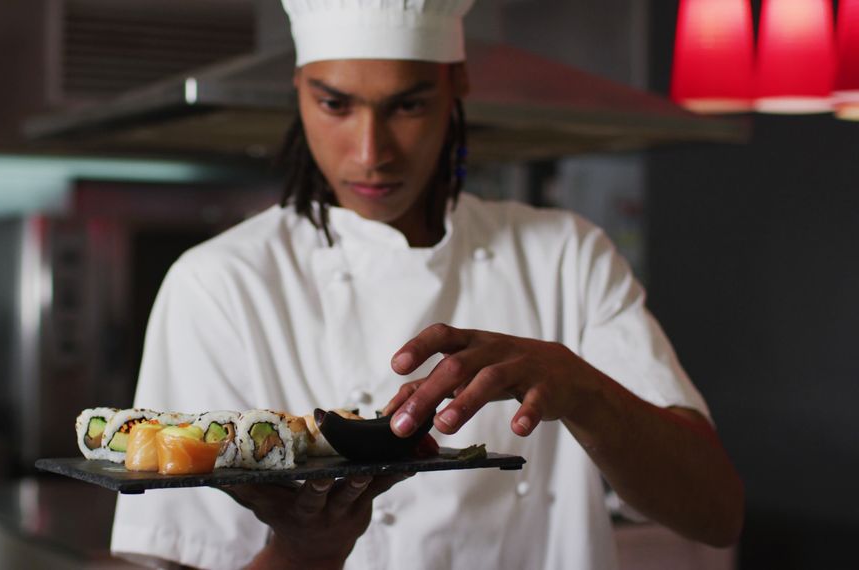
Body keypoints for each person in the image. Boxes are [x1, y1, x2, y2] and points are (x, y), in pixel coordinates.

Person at [111, 1, 744, 568]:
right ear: (298, 88)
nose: (371, 152)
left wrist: (580, 389)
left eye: (407, 105)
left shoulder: (566, 257)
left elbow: (715, 514)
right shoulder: (220, 284)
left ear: (455, 84)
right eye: (336, 104)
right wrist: (305, 553)